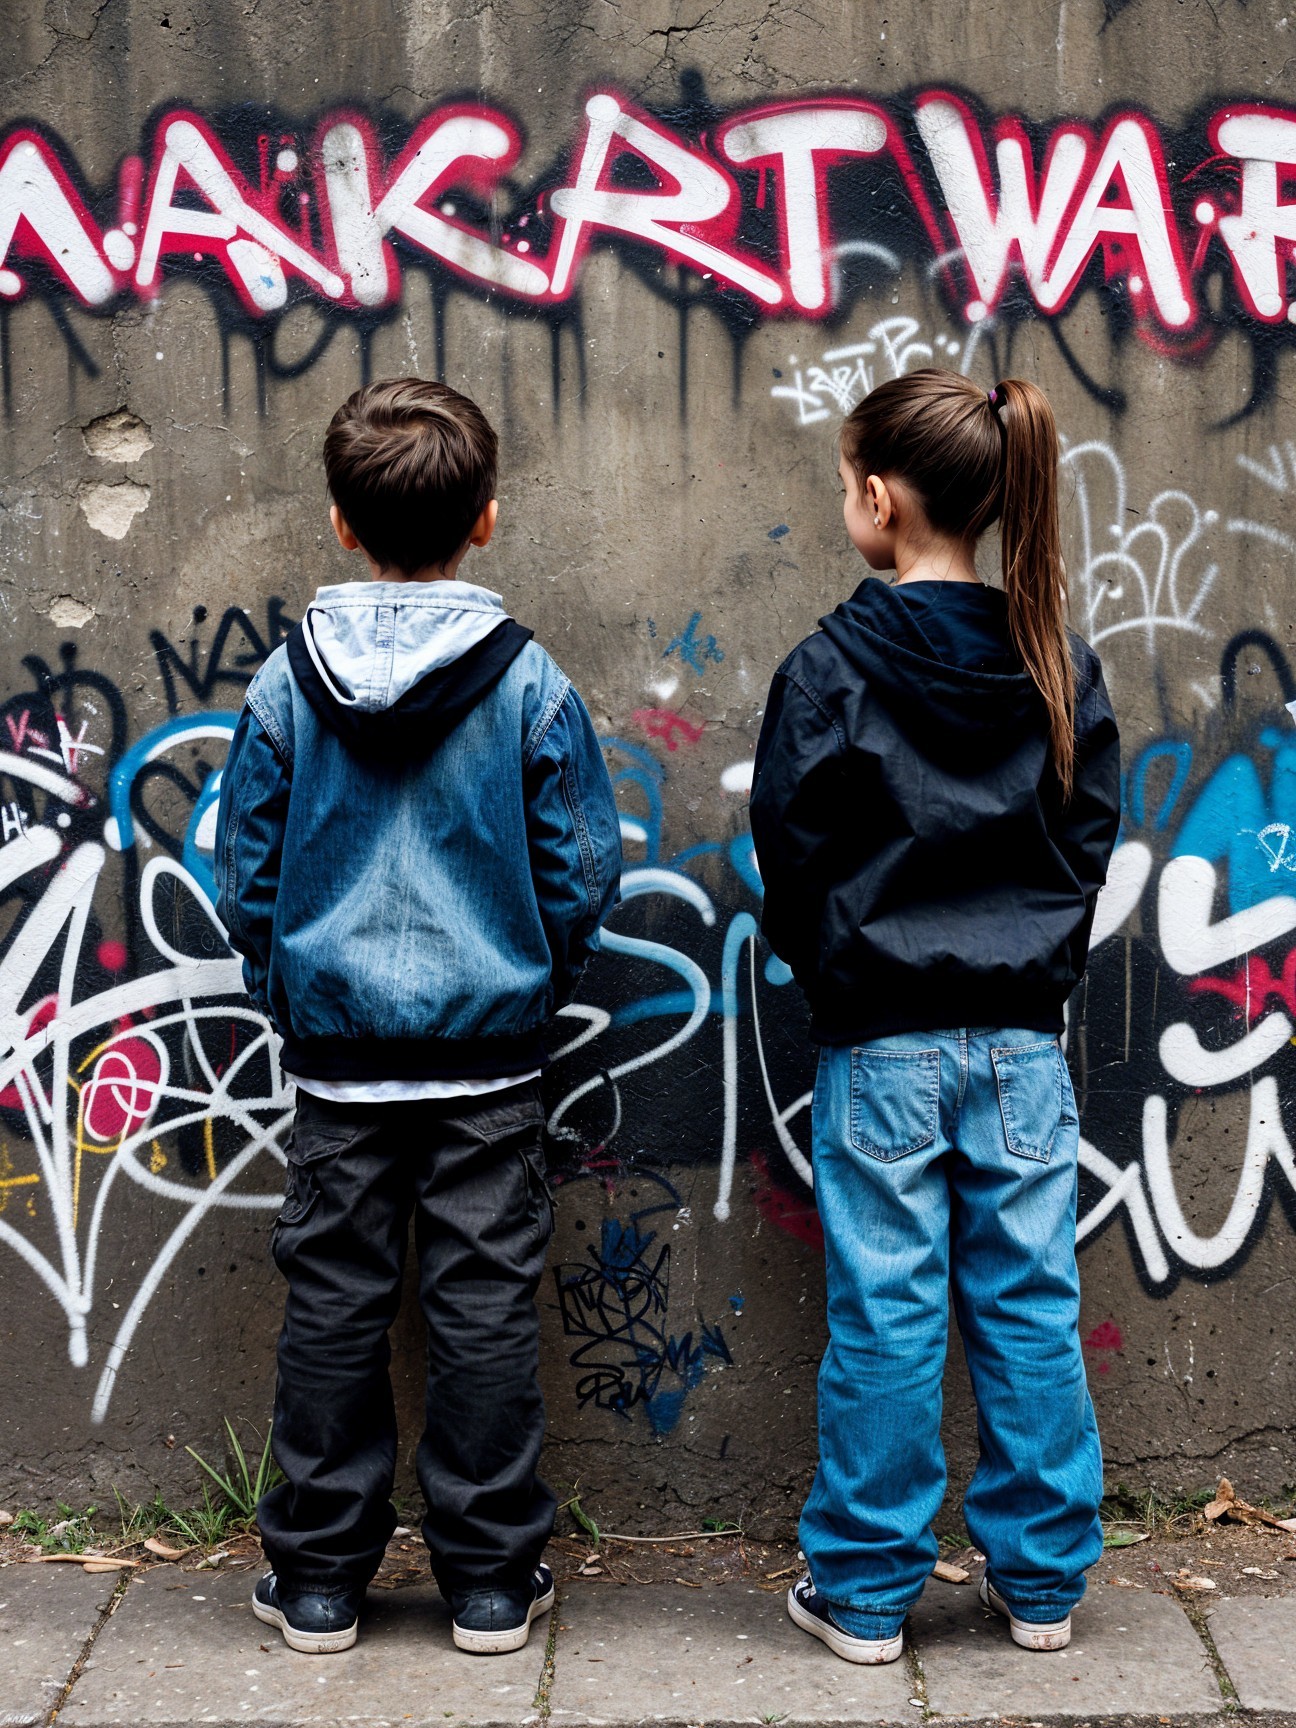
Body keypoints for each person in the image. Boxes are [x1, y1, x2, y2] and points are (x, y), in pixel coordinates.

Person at [214, 378, 621, 1657]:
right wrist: (531, 984)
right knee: (485, 1308)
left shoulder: (287, 687)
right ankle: (493, 1584)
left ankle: (322, 1581)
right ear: (487, 519)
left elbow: (247, 872)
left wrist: (290, 993)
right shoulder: (530, 683)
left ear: (340, 523)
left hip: (339, 1072)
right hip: (489, 1064)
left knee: (334, 1303)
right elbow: (581, 870)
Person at [749, 369, 1120, 1666]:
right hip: (1020, 1048)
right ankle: (1042, 1587)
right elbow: (1087, 845)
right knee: (1029, 1304)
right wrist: (1030, 972)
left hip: (882, 1045)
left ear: (877, 497)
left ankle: (861, 1594)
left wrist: (848, 975)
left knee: (887, 1314)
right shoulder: (1055, 661)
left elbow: (791, 858)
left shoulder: (828, 669)